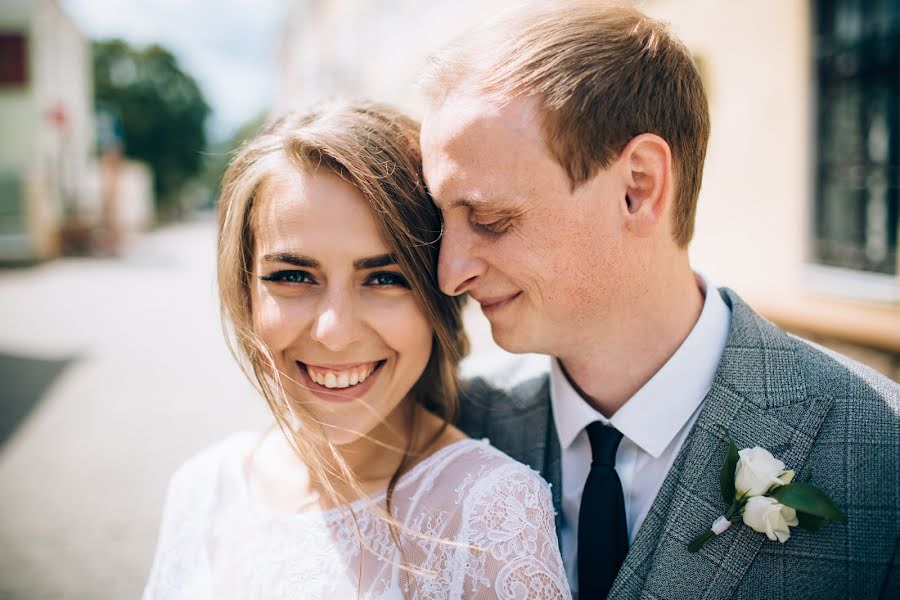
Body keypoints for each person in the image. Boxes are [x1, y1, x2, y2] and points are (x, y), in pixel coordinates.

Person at [418, 1, 900, 599]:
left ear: (638, 187)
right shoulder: (453, 427)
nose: (449, 273)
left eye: (489, 219)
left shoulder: (882, 449)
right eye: (442, 222)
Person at [142, 100, 571, 599]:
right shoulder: (203, 487)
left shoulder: (491, 515)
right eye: (293, 276)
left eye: (385, 278)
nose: (335, 331)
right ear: (246, 292)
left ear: (438, 293)